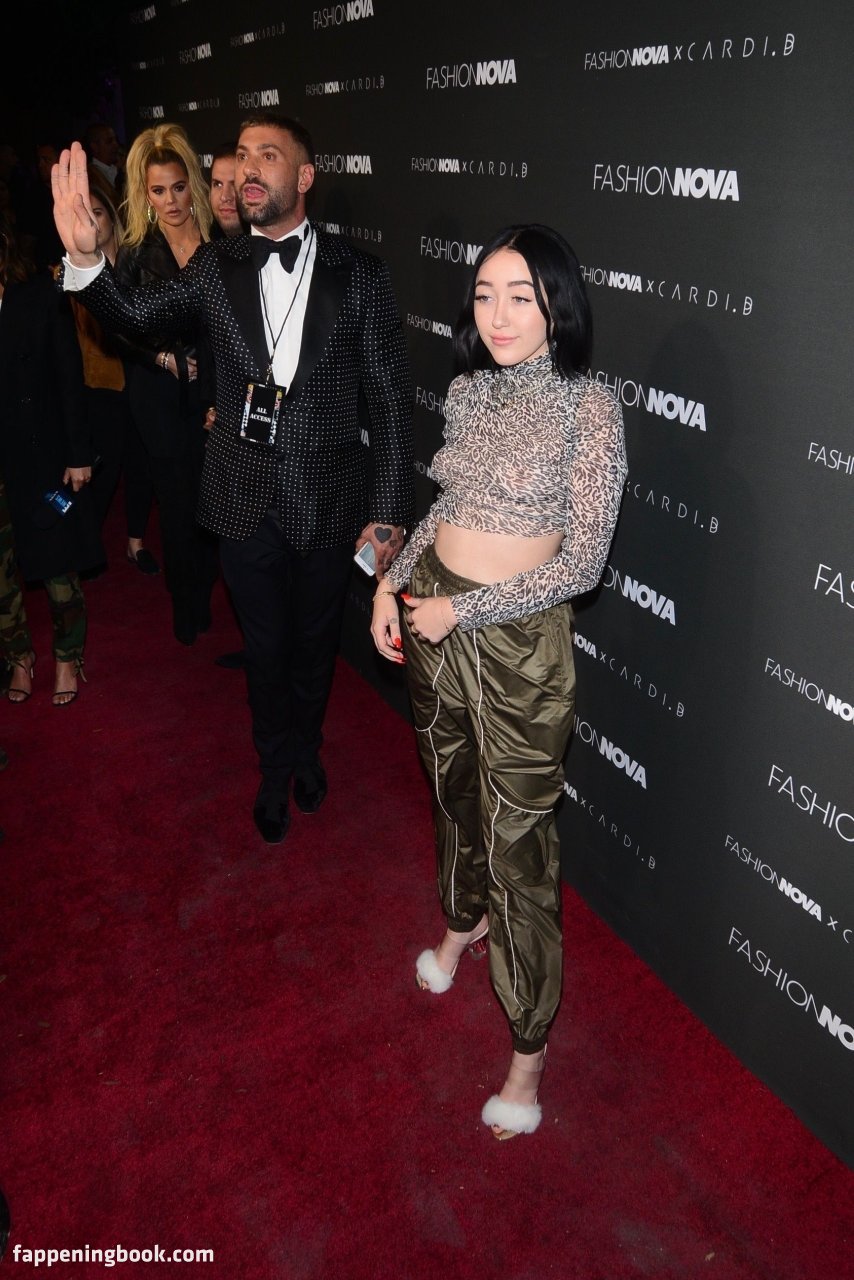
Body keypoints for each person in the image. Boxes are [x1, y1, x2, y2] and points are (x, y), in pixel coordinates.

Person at [52, 113, 413, 842]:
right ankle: (274, 765)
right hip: (241, 495)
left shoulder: (361, 274)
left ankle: (307, 749)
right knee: (264, 646)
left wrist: (388, 515)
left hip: (328, 499)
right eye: (242, 155)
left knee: (315, 643)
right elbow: (139, 314)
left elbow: (389, 400)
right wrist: (87, 263)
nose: (248, 168)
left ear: (303, 177)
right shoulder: (216, 267)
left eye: (266, 155)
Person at [371, 224, 627, 1139]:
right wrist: (394, 582)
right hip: (433, 612)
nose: (500, 315)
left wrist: (464, 612)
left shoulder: (591, 405)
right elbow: (449, 501)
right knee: (451, 792)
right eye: (485, 295)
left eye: (522, 295)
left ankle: (528, 1049)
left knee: (520, 841)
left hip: (515, 644)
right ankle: (463, 916)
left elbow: (584, 565)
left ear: (560, 305)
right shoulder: (470, 388)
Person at [112, 123, 217, 644]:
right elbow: (116, 328)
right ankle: (186, 606)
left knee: (213, 501)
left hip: (214, 397)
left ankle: (209, 591)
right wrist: (163, 358)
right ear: (145, 194)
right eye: (158, 190)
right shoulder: (136, 250)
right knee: (176, 505)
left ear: (191, 183)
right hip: (158, 396)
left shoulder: (220, 241)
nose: (171, 201)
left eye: (178, 187)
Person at [0, 215, 102, 705]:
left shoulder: (40, 296)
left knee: (57, 563)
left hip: (40, 454)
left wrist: (78, 453)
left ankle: (67, 655)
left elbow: (69, 377)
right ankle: (18, 655)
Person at [64, 181, 157, 575]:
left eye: (98, 213)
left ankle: (135, 543)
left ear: (111, 217)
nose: (92, 223)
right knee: (102, 471)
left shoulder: (139, 260)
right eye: (84, 216)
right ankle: (85, 546)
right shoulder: (72, 271)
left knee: (141, 464)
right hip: (101, 386)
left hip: (145, 377)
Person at [208, 141, 243, 239]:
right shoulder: (203, 243)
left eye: (235, 185)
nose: (224, 197)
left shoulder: (271, 245)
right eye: (217, 184)